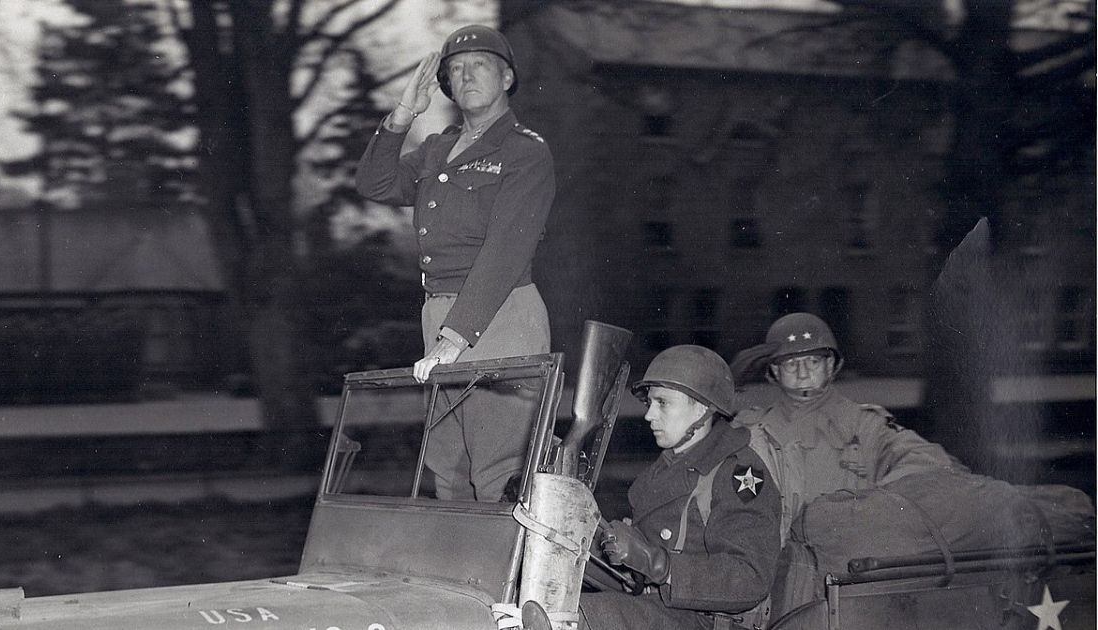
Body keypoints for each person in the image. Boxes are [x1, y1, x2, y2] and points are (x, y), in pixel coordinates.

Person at [355, 25, 554, 501]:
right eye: (455, 70)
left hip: (499, 316)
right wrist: (403, 114)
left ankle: (508, 576)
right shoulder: (438, 148)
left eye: (479, 65)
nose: (466, 76)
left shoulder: (525, 152)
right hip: (441, 317)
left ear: (507, 78)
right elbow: (374, 184)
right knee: (448, 469)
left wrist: (454, 338)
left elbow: (506, 251)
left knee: (497, 474)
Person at [579, 345, 782, 630]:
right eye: (649, 403)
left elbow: (750, 577)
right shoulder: (668, 465)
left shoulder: (736, 472)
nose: (649, 415)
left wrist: (659, 565)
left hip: (705, 619)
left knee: (585, 618)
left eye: (663, 403)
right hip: (659, 609)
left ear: (702, 408)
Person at [730, 312, 963, 521]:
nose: (803, 373)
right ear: (775, 371)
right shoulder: (750, 427)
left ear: (830, 365)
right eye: (791, 364)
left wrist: (870, 505)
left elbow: (929, 460)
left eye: (813, 361)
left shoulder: (863, 424)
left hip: (842, 552)